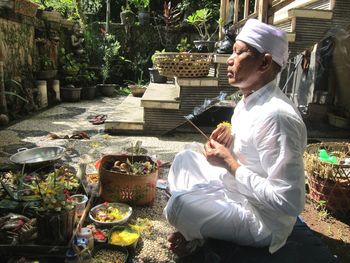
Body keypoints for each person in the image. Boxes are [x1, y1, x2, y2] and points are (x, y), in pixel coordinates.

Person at [164, 18, 307, 258]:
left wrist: (230, 163)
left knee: (178, 206)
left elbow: (290, 202)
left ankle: (194, 232)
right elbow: (251, 149)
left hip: (261, 219)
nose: (229, 60)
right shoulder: (249, 99)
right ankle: (197, 225)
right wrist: (228, 139)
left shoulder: (277, 117)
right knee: (184, 159)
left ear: (264, 62)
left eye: (239, 53)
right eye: (232, 52)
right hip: (236, 189)